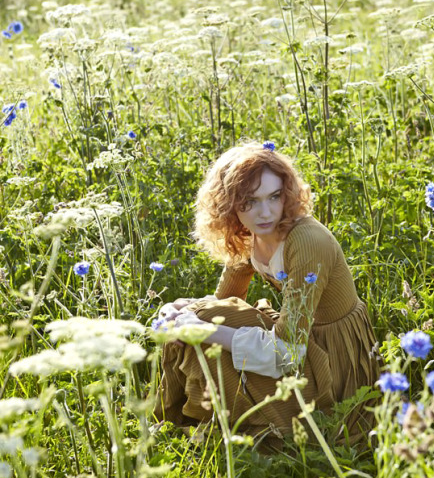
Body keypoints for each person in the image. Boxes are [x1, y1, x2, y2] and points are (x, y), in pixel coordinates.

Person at [153, 142, 379, 443]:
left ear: (286, 193)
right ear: (229, 204)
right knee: (191, 320)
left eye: (274, 197)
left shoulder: (307, 241)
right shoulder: (251, 235)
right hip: (298, 335)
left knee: (202, 328)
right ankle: (171, 424)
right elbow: (222, 302)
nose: (266, 212)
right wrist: (183, 310)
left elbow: (287, 353)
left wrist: (202, 329)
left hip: (333, 361)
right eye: (250, 201)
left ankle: (194, 425)